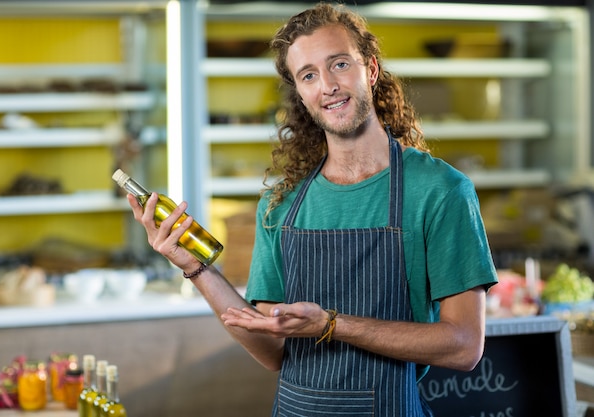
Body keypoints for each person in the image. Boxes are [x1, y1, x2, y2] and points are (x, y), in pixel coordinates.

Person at [127, 2, 498, 416]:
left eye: (339, 64)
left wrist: (330, 325)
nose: (328, 85)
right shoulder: (281, 204)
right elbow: (273, 351)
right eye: (309, 75)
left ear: (371, 70)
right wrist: (195, 268)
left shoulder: (440, 190)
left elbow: (464, 346)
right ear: (301, 94)